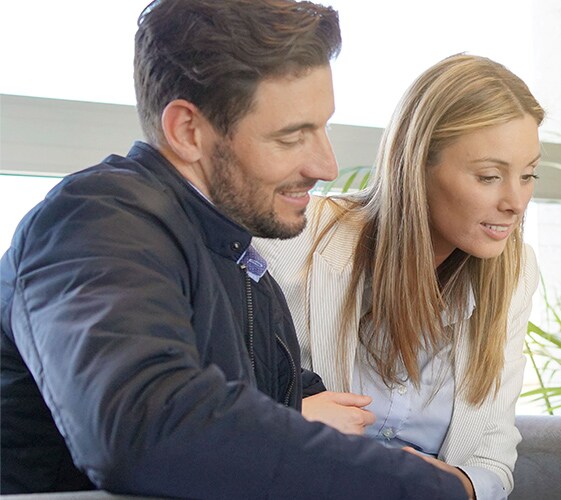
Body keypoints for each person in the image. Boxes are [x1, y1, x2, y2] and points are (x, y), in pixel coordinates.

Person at [0, 1, 468, 498]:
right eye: (292, 137)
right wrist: (425, 489)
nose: (326, 165)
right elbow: (143, 425)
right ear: (187, 130)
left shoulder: (234, 256)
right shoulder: (95, 222)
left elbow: (279, 406)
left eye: (322, 127)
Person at [255, 53, 543, 500]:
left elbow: (491, 458)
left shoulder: (515, 273)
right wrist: (291, 417)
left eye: (528, 176)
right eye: (489, 176)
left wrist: (452, 485)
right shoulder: (295, 239)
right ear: (416, 165)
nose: (516, 201)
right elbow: (227, 395)